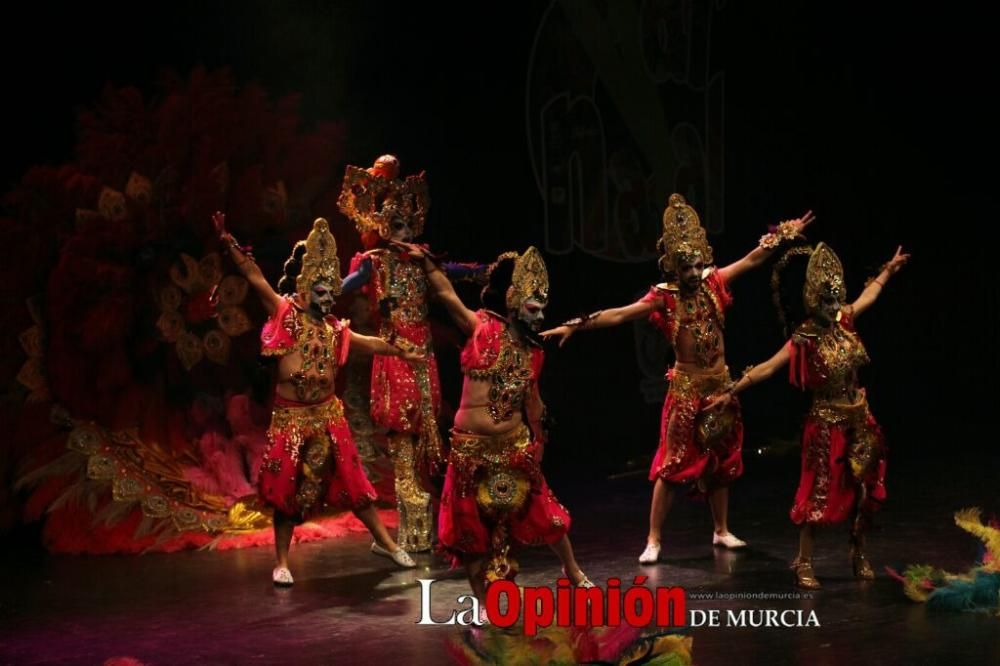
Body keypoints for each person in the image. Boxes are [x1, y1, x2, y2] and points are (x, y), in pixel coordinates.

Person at [542, 193, 812, 564]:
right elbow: (619, 315)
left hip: (721, 386)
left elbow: (753, 259)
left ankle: (721, 530)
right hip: (686, 390)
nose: (693, 274)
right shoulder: (663, 298)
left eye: (698, 265)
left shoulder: (714, 282)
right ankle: (653, 539)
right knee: (671, 467)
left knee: (721, 460)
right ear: (672, 267)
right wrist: (576, 325)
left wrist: (784, 234)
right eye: (686, 268)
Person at [216, 212, 420, 585]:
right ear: (306, 290)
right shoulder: (284, 313)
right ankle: (281, 562)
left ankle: (389, 546)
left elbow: (367, 343)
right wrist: (229, 244)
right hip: (291, 418)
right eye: (322, 293)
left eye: (332, 294)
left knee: (355, 484)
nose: (328, 301)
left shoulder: (334, 330)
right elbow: (254, 277)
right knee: (285, 494)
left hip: (328, 415)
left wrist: (399, 351)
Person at [704, 242, 909, 588]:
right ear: (814, 301)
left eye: (835, 300)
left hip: (860, 418)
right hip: (826, 425)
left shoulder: (845, 319)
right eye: (826, 302)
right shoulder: (806, 337)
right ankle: (805, 560)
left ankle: (858, 551)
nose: (832, 307)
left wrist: (888, 270)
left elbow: (867, 298)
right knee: (818, 494)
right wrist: (729, 392)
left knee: (864, 490)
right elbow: (768, 368)